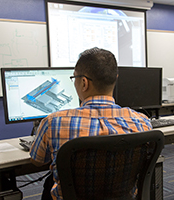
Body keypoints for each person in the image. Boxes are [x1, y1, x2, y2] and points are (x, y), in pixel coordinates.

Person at [29, 47, 152, 200]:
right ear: (115, 78)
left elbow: (37, 160)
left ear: (84, 83)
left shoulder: (54, 122)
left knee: (50, 181)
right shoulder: (142, 122)